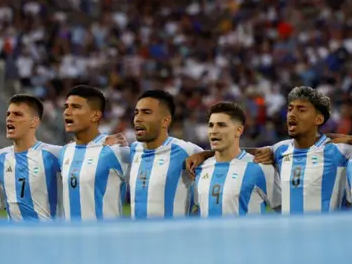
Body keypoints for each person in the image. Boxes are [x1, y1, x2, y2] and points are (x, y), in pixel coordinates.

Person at [188, 87, 352, 214]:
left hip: (330, 244)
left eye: (301, 109)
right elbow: (237, 151)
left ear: (318, 118)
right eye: (290, 109)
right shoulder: (280, 150)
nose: (292, 114)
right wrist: (205, 154)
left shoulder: (341, 152)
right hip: (290, 246)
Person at [126, 90, 204, 219]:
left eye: (146, 112)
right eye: (136, 113)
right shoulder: (133, 150)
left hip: (174, 238)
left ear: (165, 121)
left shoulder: (187, 151)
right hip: (138, 238)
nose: (138, 119)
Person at [60, 85, 129, 221]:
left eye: (75, 107)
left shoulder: (115, 151)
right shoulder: (65, 152)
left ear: (95, 115)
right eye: (66, 106)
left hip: (105, 240)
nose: (67, 112)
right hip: (70, 240)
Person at [0, 94, 62, 221]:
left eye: (17, 114)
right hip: (14, 238)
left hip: (48, 236)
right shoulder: (0, 157)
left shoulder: (54, 154)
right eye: (8, 114)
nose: (9, 119)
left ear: (34, 122)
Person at [194, 102, 270, 217]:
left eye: (221, 125)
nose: (213, 130)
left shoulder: (260, 167)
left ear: (238, 130)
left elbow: (285, 209)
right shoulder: (199, 169)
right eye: (211, 125)